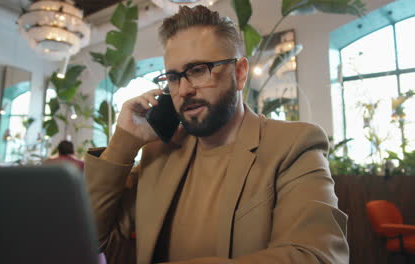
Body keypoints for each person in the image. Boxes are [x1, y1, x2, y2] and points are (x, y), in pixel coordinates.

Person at [85, 5, 349, 264]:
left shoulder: (293, 145)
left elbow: (318, 256)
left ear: (240, 73)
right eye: (174, 77)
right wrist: (124, 142)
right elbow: (89, 240)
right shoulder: (158, 154)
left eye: (198, 70)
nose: (184, 89)